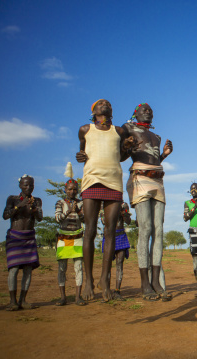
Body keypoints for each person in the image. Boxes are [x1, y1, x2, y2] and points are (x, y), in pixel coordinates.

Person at [76, 99, 136, 302]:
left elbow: (120, 157)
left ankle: (105, 280)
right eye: (101, 103)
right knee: (90, 230)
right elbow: (83, 151)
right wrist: (80, 155)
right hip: (92, 180)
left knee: (110, 231)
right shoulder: (85, 129)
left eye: (108, 103)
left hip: (113, 182)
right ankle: (88, 281)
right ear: (93, 111)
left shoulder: (118, 131)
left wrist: (127, 147)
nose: (106, 104)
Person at [122, 103, 173, 301]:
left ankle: (155, 281)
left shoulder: (157, 137)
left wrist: (164, 156)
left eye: (151, 109)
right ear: (135, 113)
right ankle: (145, 282)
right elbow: (121, 155)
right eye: (144, 109)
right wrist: (126, 146)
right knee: (145, 229)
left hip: (158, 179)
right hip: (139, 178)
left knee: (158, 230)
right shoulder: (128, 128)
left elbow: (154, 160)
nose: (149, 111)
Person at [3, 175, 43, 311]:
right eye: (26, 185)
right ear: (20, 185)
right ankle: (12, 301)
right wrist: (18, 206)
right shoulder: (13, 199)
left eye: (31, 185)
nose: (28, 188)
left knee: (27, 270)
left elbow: (40, 218)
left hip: (29, 237)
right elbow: (5, 215)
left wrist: (34, 210)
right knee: (13, 269)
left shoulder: (36, 201)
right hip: (15, 237)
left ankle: (23, 300)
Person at [54, 165, 85, 306]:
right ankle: (63, 297)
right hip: (63, 238)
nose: (72, 191)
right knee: (62, 268)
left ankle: (78, 297)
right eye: (70, 189)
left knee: (78, 267)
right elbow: (58, 218)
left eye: (74, 189)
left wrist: (77, 211)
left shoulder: (81, 203)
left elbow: (85, 219)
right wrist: (68, 212)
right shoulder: (60, 203)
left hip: (78, 237)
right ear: (65, 190)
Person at [101, 202, 131, 300]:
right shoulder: (104, 204)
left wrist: (124, 213)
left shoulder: (124, 205)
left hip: (121, 235)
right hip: (109, 236)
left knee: (120, 263)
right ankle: (107, 291)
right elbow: (104, 221)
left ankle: (117, 290)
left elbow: (128, 221)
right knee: (107, 264)